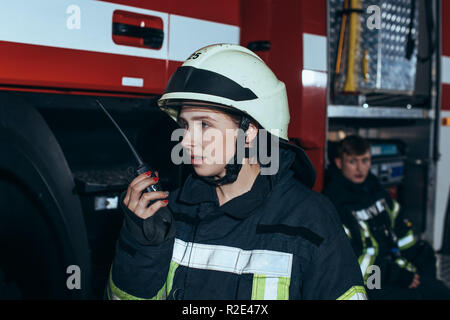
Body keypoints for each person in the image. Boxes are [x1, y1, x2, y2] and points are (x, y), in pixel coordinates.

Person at [106, 44, 366, 300]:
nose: (185, 141)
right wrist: (140, 247)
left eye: (205, 124)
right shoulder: (170, 211)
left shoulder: (309, 218)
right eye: (185, 125)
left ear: (250, 131)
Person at [323, 135, 450, 299]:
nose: (360, 169)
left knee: (439, 291)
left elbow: (404, 238)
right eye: (353, 162)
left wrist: (421, 271)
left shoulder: (377, 192)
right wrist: (399, 276)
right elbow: (350, 263)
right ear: (339, 163)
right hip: (367, 282)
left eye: (365, 160)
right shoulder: (335, 204)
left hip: (394, 272)